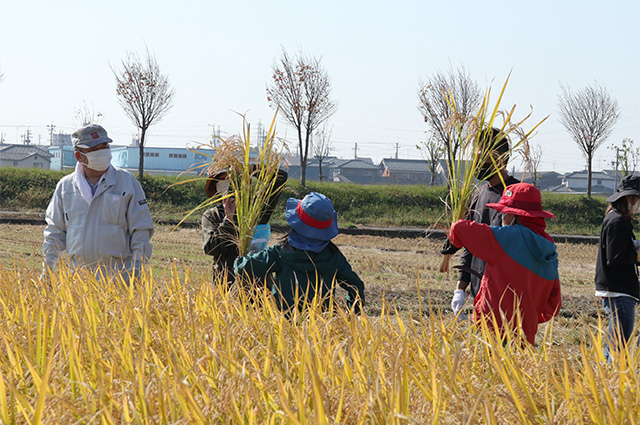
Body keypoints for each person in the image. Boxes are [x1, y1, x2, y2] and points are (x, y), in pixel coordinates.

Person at [448, 183, 561, 345]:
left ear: (517, 216)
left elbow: (459, 228)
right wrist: (529, 316)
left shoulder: (507, 238)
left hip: (491, 329)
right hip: (525, 333)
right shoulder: (549, 249)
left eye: (505, 212)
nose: (501, 216)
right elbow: (553, 304)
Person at [42, 124, 154, 281]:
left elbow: (141, 230)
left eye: (105, 147)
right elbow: (55, 232)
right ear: (79, 156)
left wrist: (135, 271)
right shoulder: (65, 187)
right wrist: (47, 271)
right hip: (78, 278)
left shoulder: (127, 183)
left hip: (118, 278)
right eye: (94, 150)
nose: (102, 153)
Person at [234, 192, 365, 315]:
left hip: (284, 326)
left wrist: (242, 257)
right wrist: (351, 315)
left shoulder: (279, 253)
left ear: (296, 223)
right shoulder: (334, 257)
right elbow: (356, 287)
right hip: (321, 327)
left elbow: (243, 269)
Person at [443, 128, 520, 317]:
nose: (476, 164)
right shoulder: (479, 194)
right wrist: (460, 289)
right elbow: (471, 246)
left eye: (481, 158)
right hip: (479, 291)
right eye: (475, 158)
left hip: (507, 293)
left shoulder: (516, 195)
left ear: (500, 159)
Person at [202, 166, 287, 283]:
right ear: (215, 186)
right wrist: (228, 220)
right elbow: (210, 248)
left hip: (258, 283)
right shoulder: (212, 215)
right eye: (223, 179)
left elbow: (280, 177)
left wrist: (253, 168)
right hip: (228, 283)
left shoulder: (256, 208)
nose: (227, 182)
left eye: (232, 178)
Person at [595, 175, 640, 360]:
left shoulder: (618, 220)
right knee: (618, 344)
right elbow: (615, 257)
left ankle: (607, 378)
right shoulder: (616, 222)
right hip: (618, 291)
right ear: (629, 198)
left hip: (619, 289)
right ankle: (610, 379)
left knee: (617, 342)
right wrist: (637, 255)